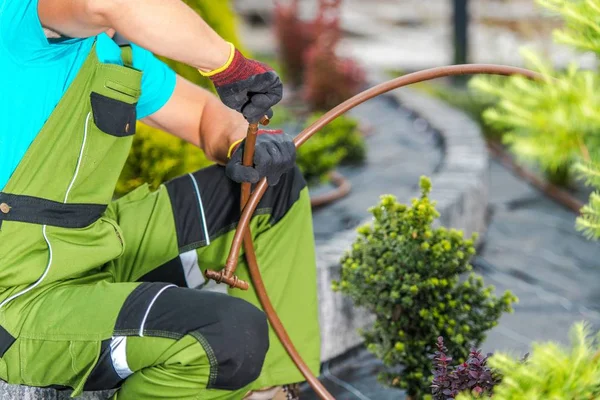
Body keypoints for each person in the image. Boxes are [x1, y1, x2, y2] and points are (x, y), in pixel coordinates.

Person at [0, 0, 321, 399]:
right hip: (17, 292)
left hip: (88, 245)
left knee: (273, 187)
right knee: (226, 335)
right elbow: (109, 3)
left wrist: (242, 143)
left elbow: (205, 117)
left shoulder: (114, 55)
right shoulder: (19, 19)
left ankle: (267, 390)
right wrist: (230, 66)